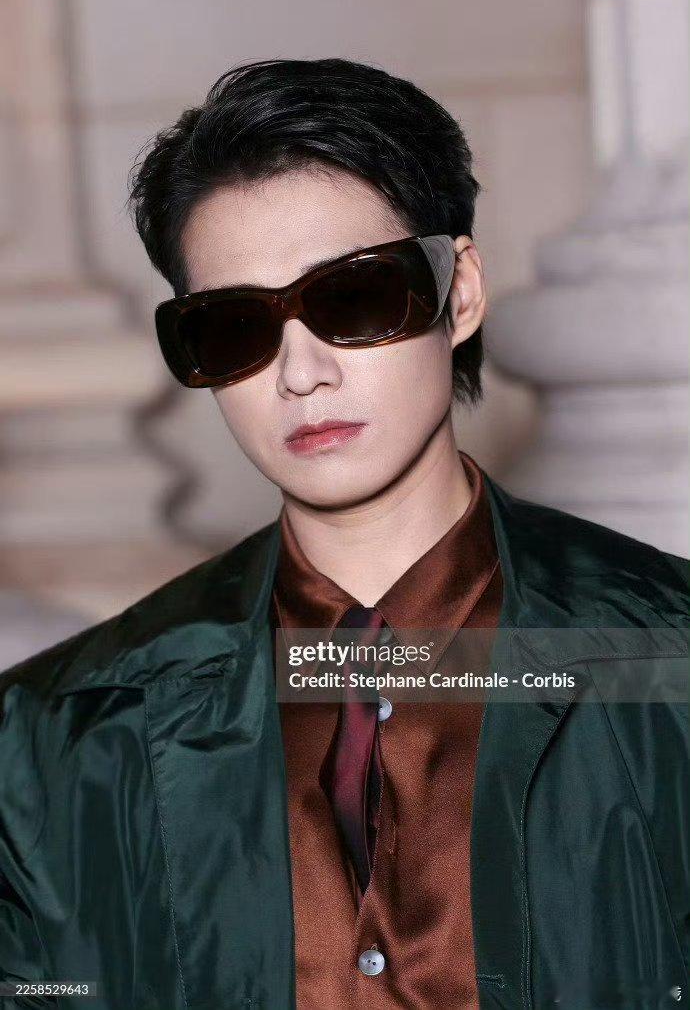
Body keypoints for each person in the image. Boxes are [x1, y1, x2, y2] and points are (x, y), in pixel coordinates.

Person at [0, 58, 687, 1010]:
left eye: (355, 297)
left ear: (461, 292)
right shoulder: (52, 739)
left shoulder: (667, 661)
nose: (300, 372)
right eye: (235, 325)